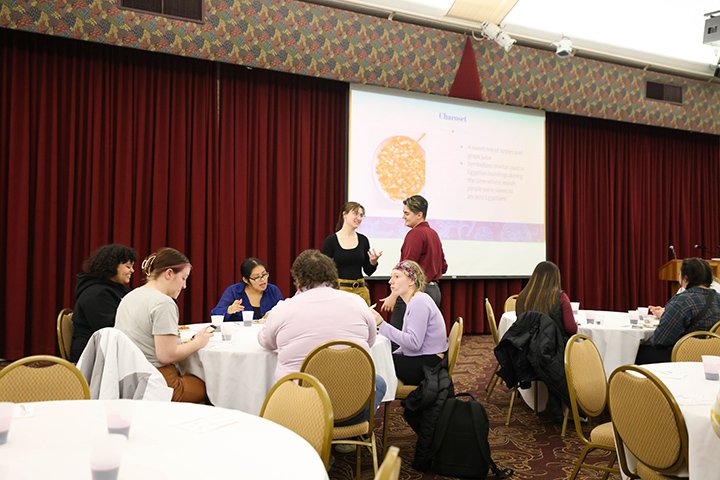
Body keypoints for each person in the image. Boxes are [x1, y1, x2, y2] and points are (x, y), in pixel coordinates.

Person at [257, 249, 386, 414]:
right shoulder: (358, 302)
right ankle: (350, 432)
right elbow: (370, 341)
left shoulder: (283, 308)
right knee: (379, 383)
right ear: (333, 275)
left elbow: (266, 342)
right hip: (353, 407)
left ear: (297, 280)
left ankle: (312, 431)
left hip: (300, 409)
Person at [115, 247, 213, 403]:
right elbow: (166, 355)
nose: (184, 286)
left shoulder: (130, 296)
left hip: (127, 379)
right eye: (183, 278)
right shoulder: (163, 303)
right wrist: (198, 342)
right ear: (169, 274)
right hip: (158, 382)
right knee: (213, 387)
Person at [373, 261, 448, 385]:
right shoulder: (415, 299)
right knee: (380, 359)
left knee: (374, 362)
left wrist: (382, 325)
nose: (390, 281)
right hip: (426, 358)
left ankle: (368, 401)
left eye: (397, 277)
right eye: (391, 277)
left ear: (411, 281)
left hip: (428, 365)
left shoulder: (419, 302)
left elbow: (414, 343)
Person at [380, 195, 447, 332]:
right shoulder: (433, 234)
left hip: (414, 293)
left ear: (419, 215)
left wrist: (393, 295)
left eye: (406, 213)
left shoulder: (415, 234)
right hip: (434, 291)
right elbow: (444, 267)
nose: (403, 217)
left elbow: (406, 269)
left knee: (398, 339)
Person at [637, 257, 720, 364]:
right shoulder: (717, 297)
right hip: (713, 356)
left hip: (684, 356)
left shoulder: (682, 301)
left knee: (637, 352)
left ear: (685, 278)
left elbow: (661, 340)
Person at [70, 243, 137, 362]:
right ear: (112, 266)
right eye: (128, 266)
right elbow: (110, 331)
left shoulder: (118, 288)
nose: (132, 270)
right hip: (93, 358)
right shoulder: (95, 293)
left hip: (111, 351)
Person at [321, 201, 382, 306]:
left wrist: (373, 262)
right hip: (339, 291)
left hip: (360, 292)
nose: (359, 218)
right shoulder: (331, 241)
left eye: (361, 215)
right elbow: (323, 270)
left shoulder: (363, 240)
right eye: (355, 213)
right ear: (344, 215)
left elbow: (368, 271)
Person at [515, 261, 577, 336]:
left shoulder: (522, 296)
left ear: (535, 276)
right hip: (554, 345)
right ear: (556, 278)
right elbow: (571, 329)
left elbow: (520, 321)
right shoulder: (561, 297)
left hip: (525, 344)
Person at [210, 257, 284, 321]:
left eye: (264, 274)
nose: (262, 279)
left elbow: (284, 312)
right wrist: (229, 310)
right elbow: (215, 314)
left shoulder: (273, 290)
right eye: (256, 277)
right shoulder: (234, 291)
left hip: (267, 334)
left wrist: (274, 314)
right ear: (246, 280)